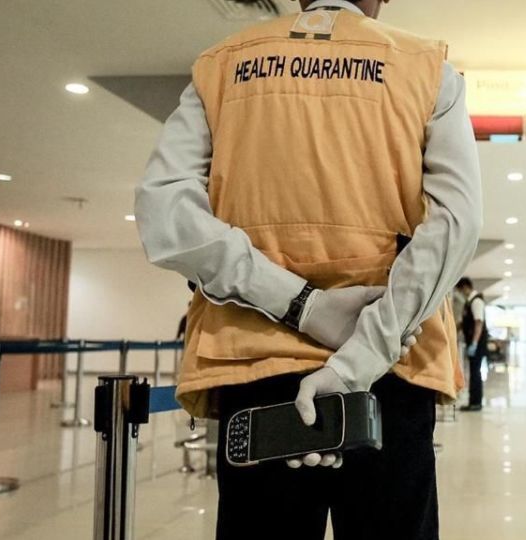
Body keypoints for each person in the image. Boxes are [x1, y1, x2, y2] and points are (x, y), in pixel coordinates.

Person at [134, 0, 482, 537]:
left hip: (253, 364)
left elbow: (164, 212)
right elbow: (455, 223)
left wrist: (303, 304)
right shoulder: (426, 67)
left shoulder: (222, 65)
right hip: (390, 369)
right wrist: (359, 357)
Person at [455, 278, 487, 412]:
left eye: (461, 290)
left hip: (477, 343)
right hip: (473, 342)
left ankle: (476, 403)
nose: (461, 294)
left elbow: (478, 323)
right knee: (473, 372)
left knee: (475, 373)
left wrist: (474, 342)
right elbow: (463, 323)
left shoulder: (477, 301)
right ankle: (473, 401)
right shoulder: (469, 303)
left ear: (466, 287)